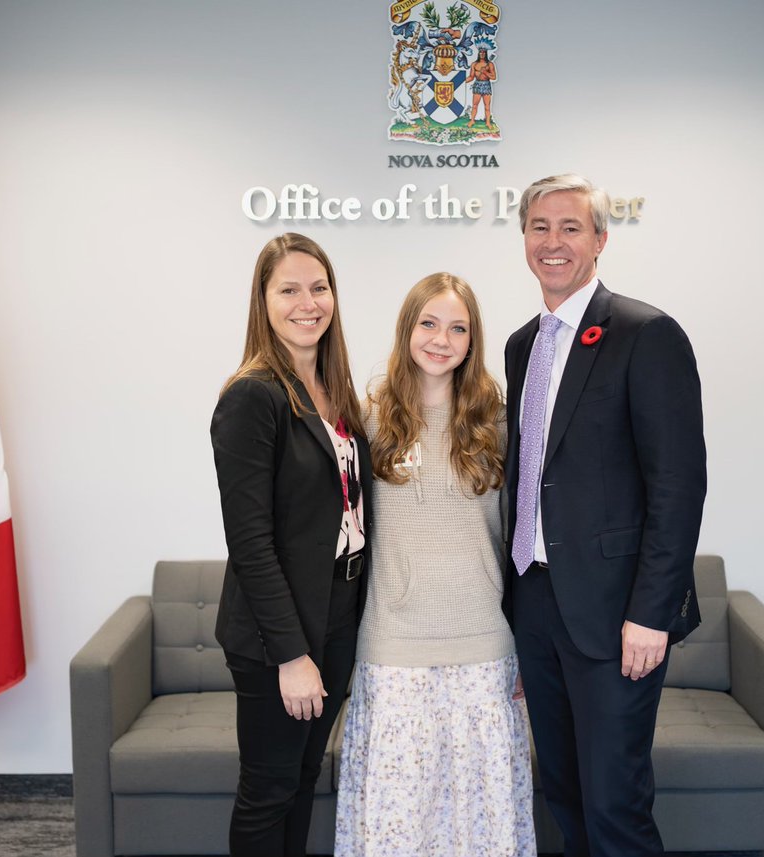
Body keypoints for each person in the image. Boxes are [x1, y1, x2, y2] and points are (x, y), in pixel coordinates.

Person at [503, 175, 706, 857]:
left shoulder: (646, 334)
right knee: (563, 795)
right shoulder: (521, 346)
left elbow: (678, 486)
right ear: (524, 238)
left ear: (599, 240)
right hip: (536, 601)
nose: (553, 241)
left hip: (617, 613)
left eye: (570, 227)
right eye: (539, 226)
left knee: (614, 804)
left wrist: (651, 613)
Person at [335, 273, 536, 857]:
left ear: (473, 340)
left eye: (458, 328)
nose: (441, 340)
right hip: (393, 653)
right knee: (399, 828)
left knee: (482, 828)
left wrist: (530, 644)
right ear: (407, 328)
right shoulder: (367, 423)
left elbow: (520, 542)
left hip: (484, 652)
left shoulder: (498, 425)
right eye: (429, 323)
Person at [211, 233, 372, 857]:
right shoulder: (253, 395)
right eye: (289, 290)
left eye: (319, 287)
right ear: (264, 301)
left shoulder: (334, 391)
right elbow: (250, 542)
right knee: (269, 789)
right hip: (278, 636)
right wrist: (291, 656)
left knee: (303, 779)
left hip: (337, 615)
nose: (308, 303)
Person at [465, 47, 496, 128]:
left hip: (486, 85)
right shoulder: (474, 64)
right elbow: (471, 77)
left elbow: (493, 77)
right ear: (478, 53)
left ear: (486, 53)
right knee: (475, 105)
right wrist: (463, 82)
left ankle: (488, 122)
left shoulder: (490, 64)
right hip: (477, 85)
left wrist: (485, 72)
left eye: (483, 52)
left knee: (487, 106)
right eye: (480, 52)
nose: (482, 54)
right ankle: (472, 120)